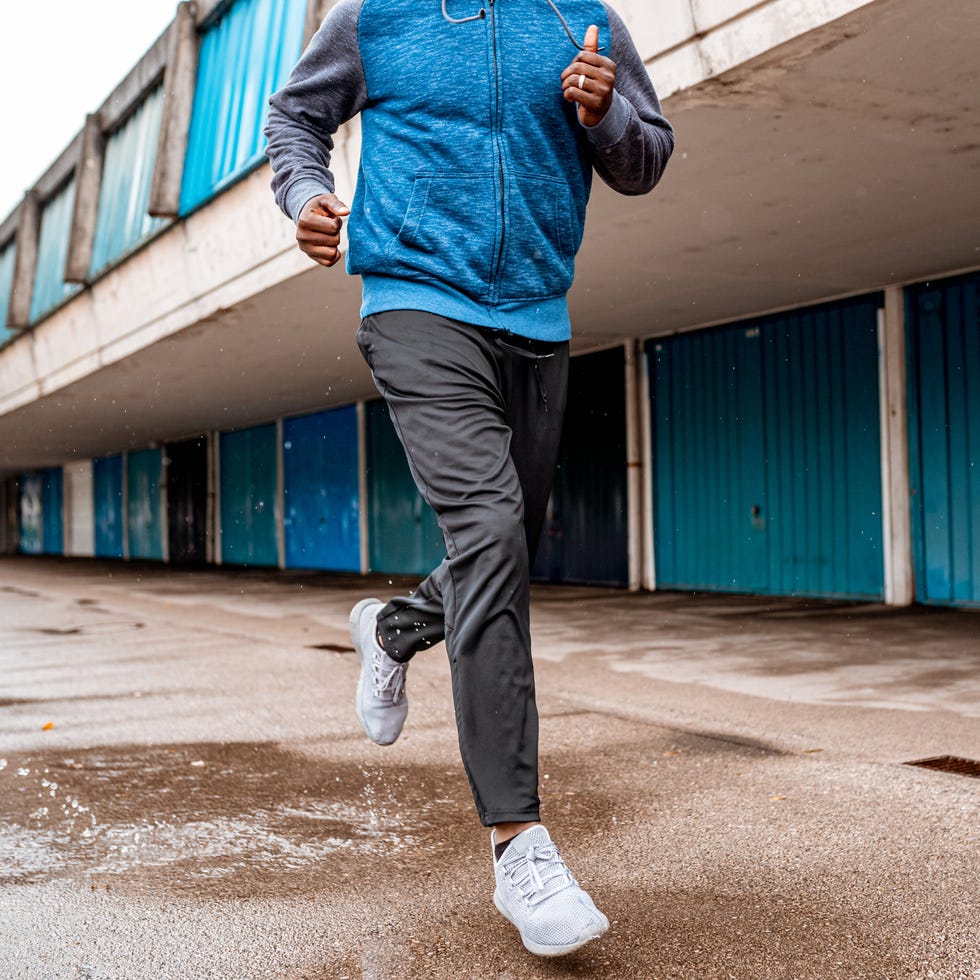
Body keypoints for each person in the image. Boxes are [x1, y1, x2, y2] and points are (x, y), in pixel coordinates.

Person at [265, 0, 673, 957]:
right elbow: (295, 115)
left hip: (536, 321)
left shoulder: (583, 21)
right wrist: (306, 195)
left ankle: (395, 625)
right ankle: (519, 843)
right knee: (492, 535)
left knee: (499, 549)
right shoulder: (380, 18)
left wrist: (604, 111)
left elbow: (646, 159)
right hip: (412, 304)